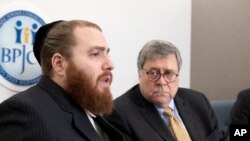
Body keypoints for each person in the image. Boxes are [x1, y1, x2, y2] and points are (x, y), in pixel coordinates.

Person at [0, 20, 124, 141]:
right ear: (59, 64)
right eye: (95, 54)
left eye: (107, 53)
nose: (110, 64)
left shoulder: (95, 112)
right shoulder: (24, 113)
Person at [104, 39, 228, 141]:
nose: (162, 82)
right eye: (153, 73)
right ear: (140, 74)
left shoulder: (197, 101)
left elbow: (222, 137)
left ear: (177, 74)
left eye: (169, 73)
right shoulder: (119, 113)